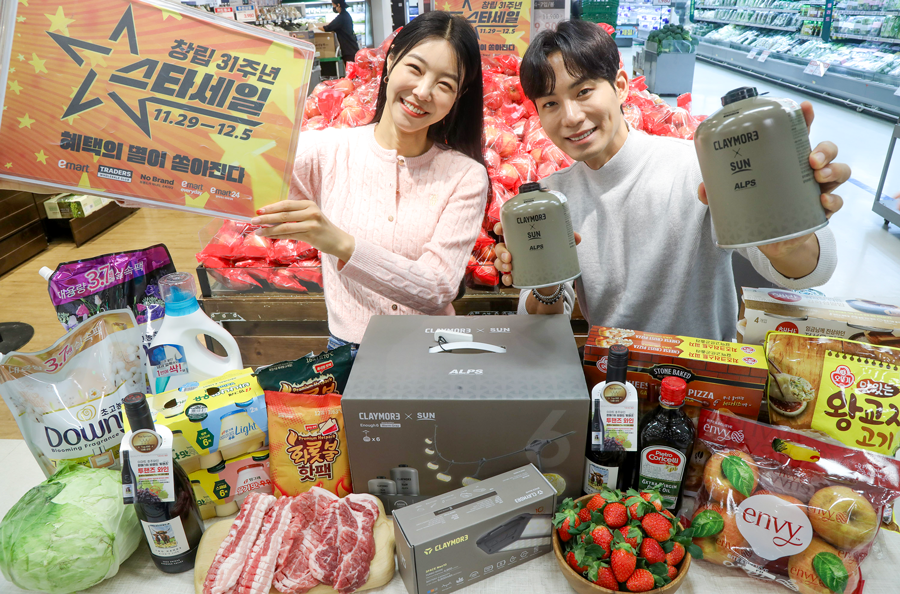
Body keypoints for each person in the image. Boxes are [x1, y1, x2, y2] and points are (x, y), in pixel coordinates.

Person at [493, 20, 850, 341]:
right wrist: (547, 283)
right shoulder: (553, 198)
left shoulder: (697, 167)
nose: (571, 116)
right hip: (613, 376)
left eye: (583, 92)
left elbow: (812, 270)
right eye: (551, 104)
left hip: (705, 375)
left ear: (620, 86)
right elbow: (542, 320)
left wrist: (789, 240)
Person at [252, 12, 489, 355]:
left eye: (445, 85)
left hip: (431, 348)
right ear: (391, 60)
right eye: (416, 68)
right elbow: (243, 184)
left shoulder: (465, 176)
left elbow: (438, 288)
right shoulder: (327, 151)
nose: (423, 92)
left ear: (458, 96)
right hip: (350, 351)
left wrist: (339, 243)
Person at [320, 0, 360, 67]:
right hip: (352, 49)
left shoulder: (341, 17)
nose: (333, 7)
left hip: (348, 51)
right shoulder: (346, 15)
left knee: (351, 71)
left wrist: (315, 28)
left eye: (333, 5)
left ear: (338, 5)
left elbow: (327, 28)